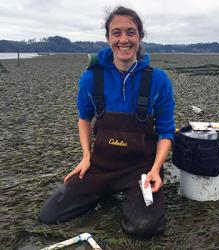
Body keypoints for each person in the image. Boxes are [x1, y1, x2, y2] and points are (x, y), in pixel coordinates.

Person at [39, 6, 175, 238]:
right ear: (108, 38)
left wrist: (155, 169)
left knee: (144, 228)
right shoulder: (91, 77)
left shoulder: (158, 79)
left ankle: (130, 196)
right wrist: (85, 157)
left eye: (131, 32)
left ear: (140, 37)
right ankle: (103, 190)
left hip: (141, 170)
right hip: (100, 166)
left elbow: (166, 131)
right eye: (117, 32)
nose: (124, 39)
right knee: (49, 215)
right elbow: (84, 118)